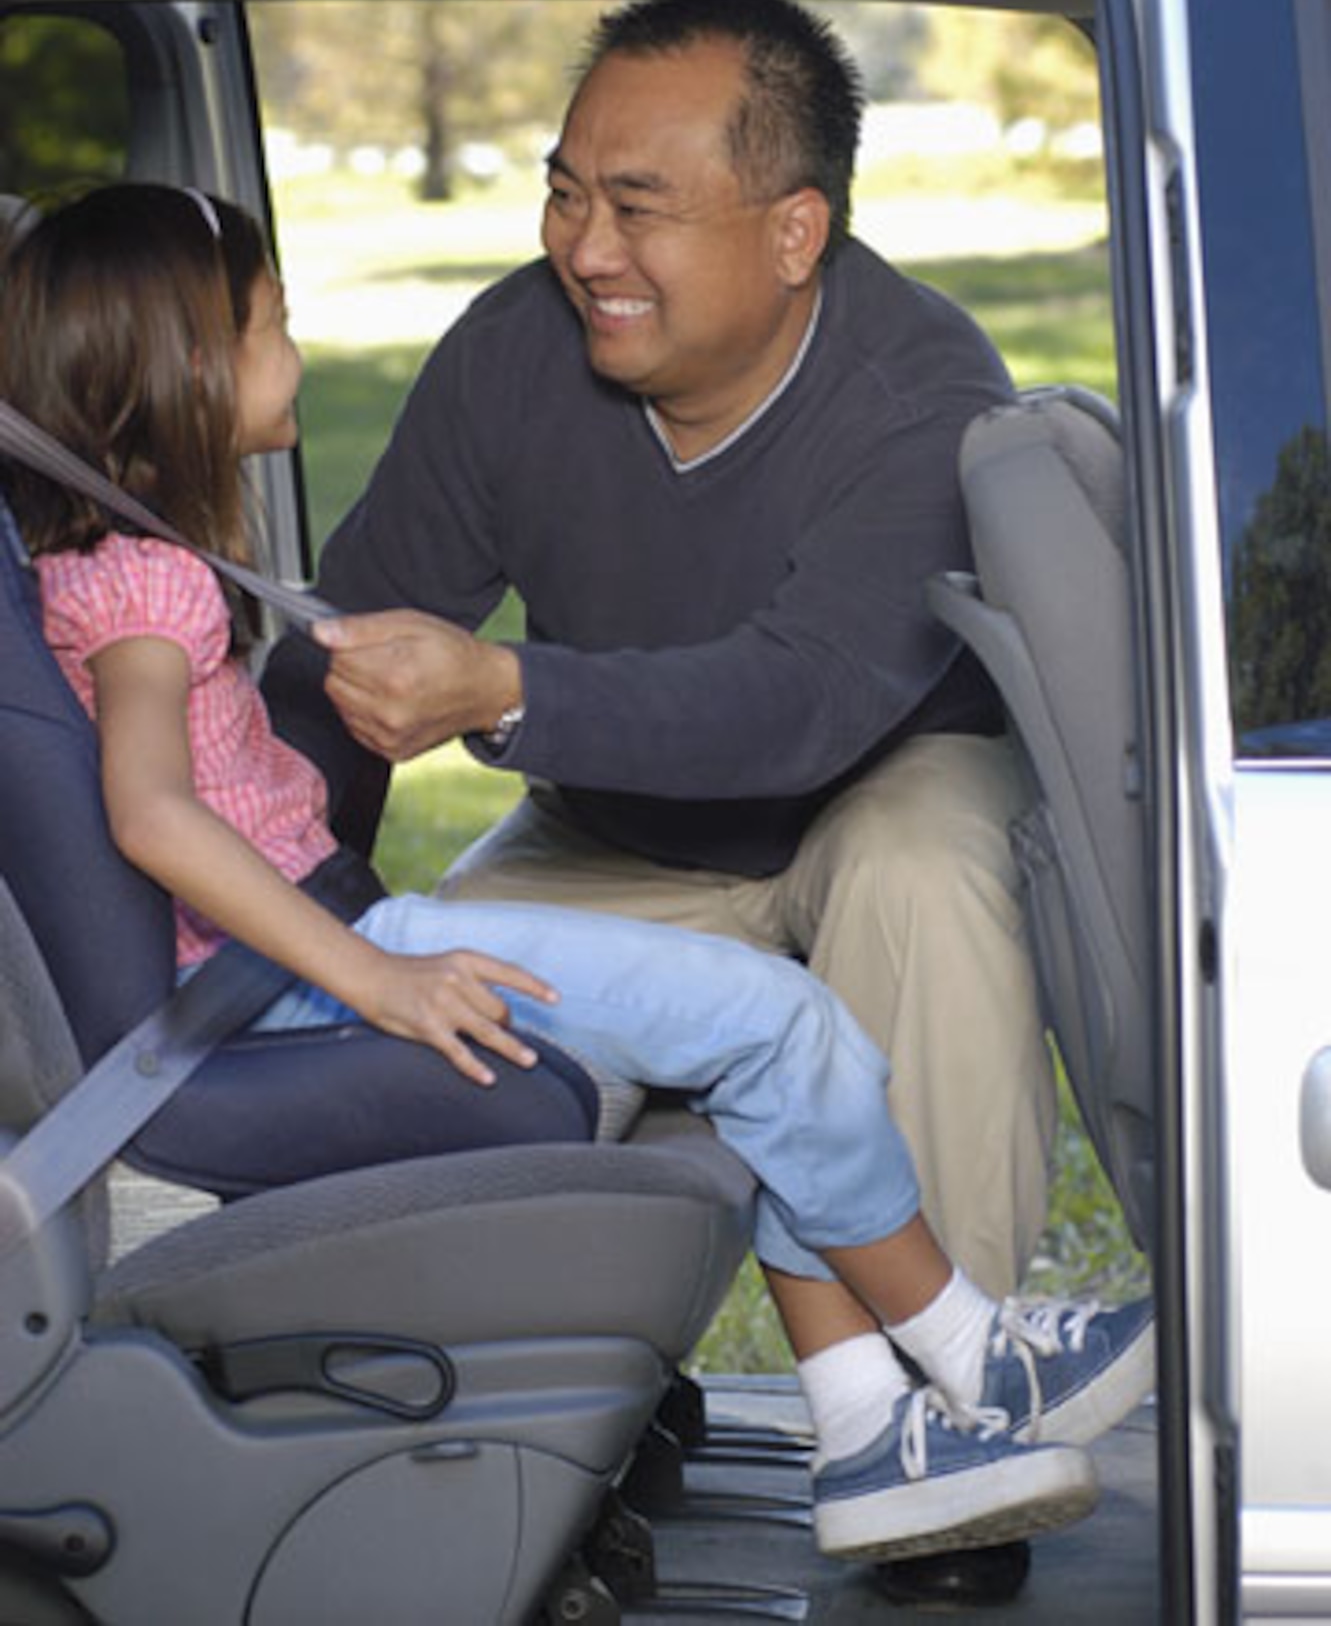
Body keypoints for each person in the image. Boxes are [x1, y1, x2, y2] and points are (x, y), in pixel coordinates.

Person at [0, 181, 1153, 1566]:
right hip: (314, 963)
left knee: (763, 1046)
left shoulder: (101, 573)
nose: (295, 356)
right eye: (273, 327)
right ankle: (978, 1357)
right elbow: (152, 816)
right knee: (785, 1025)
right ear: (187, 371)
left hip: (303, 955)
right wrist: (378, 969)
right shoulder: (150, 591)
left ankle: (862, 1432)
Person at [271, 0, 1057, 1302]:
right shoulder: (512, 354)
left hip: (878, 785)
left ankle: (949, 1420)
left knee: (922, 875)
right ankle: (536, 1429)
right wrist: (289, 894)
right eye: (566, 195)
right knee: (411, 998)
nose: (585, 249)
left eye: (638, 209)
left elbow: (802, 700)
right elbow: (336, 655)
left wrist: (508, 688)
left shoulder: (926, 392)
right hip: (616, 826)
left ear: (795, 231)